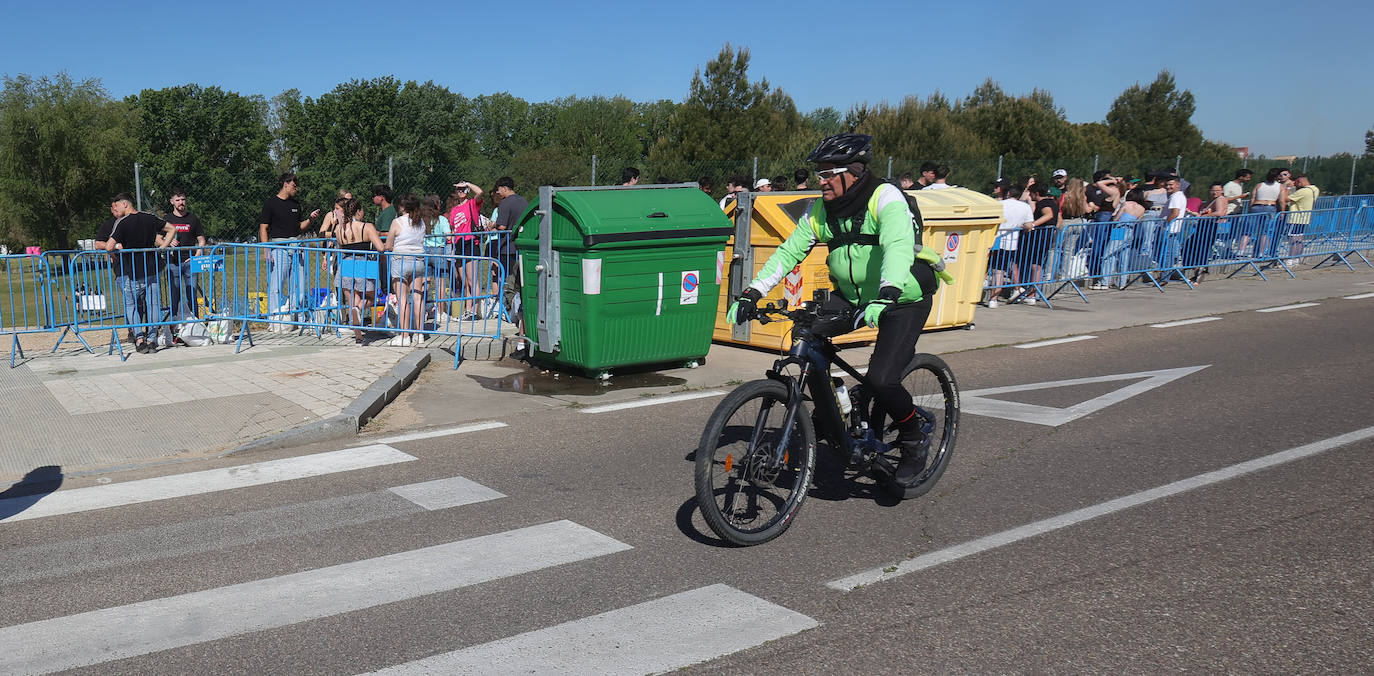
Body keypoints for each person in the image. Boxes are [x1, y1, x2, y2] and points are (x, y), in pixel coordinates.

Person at [726, 134, 946, 487]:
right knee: (805, 335)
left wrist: (887, 292)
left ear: (855, 172)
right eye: (819, 173)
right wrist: (752, 292)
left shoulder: (885, 198)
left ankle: (913, 438)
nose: (821, 180)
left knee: (882, 377)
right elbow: (788, 252)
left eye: (829, 173)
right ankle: (839, 409)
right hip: (853, 295)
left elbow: (899, 246)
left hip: (902, 296)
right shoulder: (822, 209)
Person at [104, 193, 177, 353]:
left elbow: (109, 246)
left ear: (125, 204)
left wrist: (117, 248)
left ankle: (139, 338)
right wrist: (163, 246)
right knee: (153, 304)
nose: (116, 209)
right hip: (152, 267)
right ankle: (151, 339)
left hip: (132, 270)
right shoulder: (149, 218)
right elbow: (172, 228)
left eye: (117, 205)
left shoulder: (121, 223)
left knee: (131, 305)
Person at [258, 173, 321, 330]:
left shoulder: (296, 204)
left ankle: (296, 317)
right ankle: (275, 318)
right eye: (294, 185)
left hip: (296, 247)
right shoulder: (271, 204)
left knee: (298, 284)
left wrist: (311, 219)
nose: (296, 189)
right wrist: (266, 249)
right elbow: (263, 228)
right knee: (277, 284)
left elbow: (299, 227)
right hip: (279, 248)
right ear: (285, 184)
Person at [333, 197, 384, 344]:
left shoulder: (339, 229)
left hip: (346, 263)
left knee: (351, 300)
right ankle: (359, 308)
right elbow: (380, 247)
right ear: (359, 211)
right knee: (372, 297)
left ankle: (358, 335)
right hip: (364, 263)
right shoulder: (367, 227)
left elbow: (341, 249)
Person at [382, 194, 428, 346]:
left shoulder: (397, 222)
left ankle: (405, 335)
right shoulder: (421, 222)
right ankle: (420, 333)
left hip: (401, 261)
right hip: (419, 261)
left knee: (402, 299)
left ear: (402, 207)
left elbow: (388, 245)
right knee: (418, 297)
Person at [163, 188, 206, 334]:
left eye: (183, 199)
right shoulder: (166, 219)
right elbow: (157, 238)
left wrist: (198, 254)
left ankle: (195, 326)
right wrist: (167, 241)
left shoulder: (193, 219)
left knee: (192, 294)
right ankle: (175, 327)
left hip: (190, 262)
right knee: (174, 295)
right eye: (178, 200)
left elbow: (201, 239)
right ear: (172, 202)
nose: (181, 202)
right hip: (172, 262)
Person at [492, 176, 529, 333]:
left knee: (508, 281)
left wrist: (493, 226)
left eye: (499, 189)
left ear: (504, 188)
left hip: (507, 248)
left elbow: (502, 226)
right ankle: (521, 311)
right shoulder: (524, 201)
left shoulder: (505, 203)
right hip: (522, 246)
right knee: (520, 281)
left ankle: (510, 311)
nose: (498, 192)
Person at [990, 180, 1033, 307]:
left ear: (1008, 193)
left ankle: (994, 298)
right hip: (1013, 242)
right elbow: (1029, 225)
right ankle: (1016, 288)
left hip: (998, 239)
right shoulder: (1025, 207)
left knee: (997, 270)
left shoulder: (1000, 204)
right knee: (1009, 266)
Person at [446, 182, 485, 318]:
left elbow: (480, 192)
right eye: (458, 189)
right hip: (459, 244)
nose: (460, 192)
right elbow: (453, 229)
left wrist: (468, 183)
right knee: (464, 281)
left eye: (463, 189)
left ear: (467, 191)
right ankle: (468, 310)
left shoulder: (472, 204)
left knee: (472, 280)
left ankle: (475, 310)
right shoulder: (454, 210)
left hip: (471, 243)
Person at [1021, 182, 1060, 303]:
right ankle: (1033, 292)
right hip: (1045, 237)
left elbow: (1049, 215)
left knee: (1035, 265)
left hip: (1040, 237)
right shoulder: (1052, 202)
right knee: (1037, 265)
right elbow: (1057, 218)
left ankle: (1032, 294)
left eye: (1031, 193)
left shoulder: (1044, 203)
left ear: (1036, 193)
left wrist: (1032, 224)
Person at [1103, 188, 1147, 289]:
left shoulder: (1126, 204)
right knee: (1124, 257)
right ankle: (1121, 282)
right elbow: (1137, 222)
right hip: (1130, 230)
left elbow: (1116, 218)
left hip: (1120, 229)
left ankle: (1105, 280)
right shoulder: (1142, 208)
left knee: (1108, 254)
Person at [1186, 182, 1229, 282]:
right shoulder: (1213, 200)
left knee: (1201, 249)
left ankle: (1200, 273)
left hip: (1209, 226)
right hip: (1204, 225)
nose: (1215, 192)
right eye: (1213, 190)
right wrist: (1194, 213)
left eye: (1217, 190)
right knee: (1191, 247)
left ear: (1222, 191)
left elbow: (1219, 212)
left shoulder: (1220, 199)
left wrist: (1202, 216)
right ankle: (1197, 270)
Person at [1251, 167, 1289, 259]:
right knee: (1266, 232)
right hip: (1270, 207)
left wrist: (1250, 209)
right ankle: (1262, 252)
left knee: (1256, 231)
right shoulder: (1280, 187)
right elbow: (1281, 201)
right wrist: (1282, 212)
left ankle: (1250, 251)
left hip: (1256, 207)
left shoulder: (1259, 185)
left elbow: (1252, 198)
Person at [1283, 173, 1319, 263]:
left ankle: (1291, 258)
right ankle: (1297, 257)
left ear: (1299, 181)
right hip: (1305, 218)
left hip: (1295, 218)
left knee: (1293, 239)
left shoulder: (1303, 191)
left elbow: (1285, 199)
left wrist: (1288, 188)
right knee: (1299, 239)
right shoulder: (1315, 189)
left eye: (1296, 184)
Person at [1158, 177, 1188, 280]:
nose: (1168, 187)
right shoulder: (1178, 196)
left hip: (1171, 229)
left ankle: (1164, 277)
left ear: (1178, 185)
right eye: (1167, 185)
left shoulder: (1176, 197)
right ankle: (1165, 276)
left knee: (1167, 253)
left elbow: (1175, 213)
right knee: (1170, 253)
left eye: (1171, 185)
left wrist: (1167, 224)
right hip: (1173, 229)